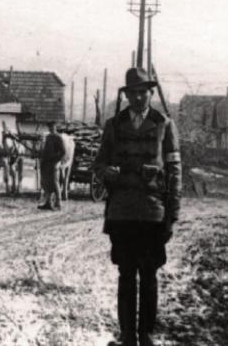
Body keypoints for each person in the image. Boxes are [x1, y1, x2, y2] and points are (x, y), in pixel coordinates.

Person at [93, 68, 182, 346]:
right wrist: (106, 171)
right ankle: (128, 336)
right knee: (126, 274)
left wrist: (173, 214)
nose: (139, 97)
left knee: (149, 273)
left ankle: (146, 335)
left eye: (144, 92)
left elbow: (175, 170)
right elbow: (99, 163)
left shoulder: (164, 124)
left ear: (151, 94)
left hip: (152, 213)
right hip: (122, 212)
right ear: (127, 95)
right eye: (134, 92)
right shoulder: (114, 125)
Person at [38, 120, 65, 210]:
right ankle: (48, 202)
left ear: (55, 127)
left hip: (54, 163)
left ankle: (59, 203)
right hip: (46, 163)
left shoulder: (58, 137)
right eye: (49, 127)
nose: (50, 128)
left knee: (55, 182)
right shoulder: (48, 137)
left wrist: (57, 162)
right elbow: (46, 150)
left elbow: (63, 152)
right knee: (46, 183)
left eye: (52, 126)